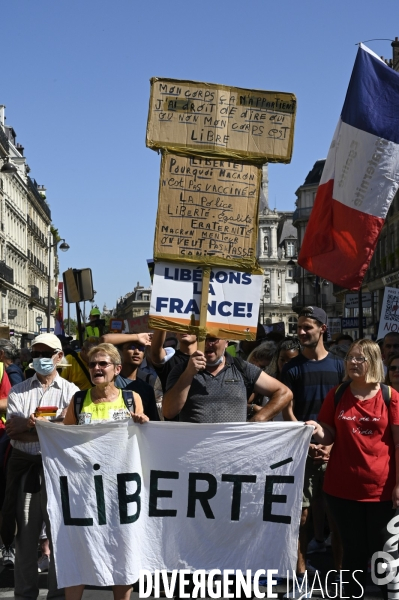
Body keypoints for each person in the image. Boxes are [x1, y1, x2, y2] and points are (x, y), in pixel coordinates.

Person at [307, 339, 399, 600]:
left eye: (359, 358)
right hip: (341, 490)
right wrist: (315, 429)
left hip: (381, 492)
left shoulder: (390, 396)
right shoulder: (337, 394)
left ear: (373, 362)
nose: (352, 362)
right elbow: (328, 433)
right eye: (350, 358)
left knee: (384, 554)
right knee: (353, 552)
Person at [62, 342, 148, 600]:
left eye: (103, 364)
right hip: (85, 490)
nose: (96, 368)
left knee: (121, 550)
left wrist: (143, 423)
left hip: (120, 491)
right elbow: (64, 442)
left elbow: (142, 444)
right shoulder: (78, 401)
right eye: (92, 364)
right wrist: (44, 429)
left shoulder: (132, 399)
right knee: (79, 547)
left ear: (117, 369)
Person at [1, 333, 79, 597]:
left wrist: (34, 426)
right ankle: (25, 594)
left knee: (60, 538)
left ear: (59, 357)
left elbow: (70, 431)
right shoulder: (18, 391)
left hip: (58, 472)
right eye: (35, 354)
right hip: (26, 472)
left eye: (46, 353)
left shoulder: (72, 392)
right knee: (25, 537)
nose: (40, 359)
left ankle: (57, 595)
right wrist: (51, 426)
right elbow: (14, 431)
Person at [281, 306, 344, 585]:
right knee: (301, 515)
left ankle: (343, 575)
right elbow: (287, 409)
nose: (302, 332)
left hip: (335, 453)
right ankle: (300, 573)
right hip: (302, 453)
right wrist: (305, 442)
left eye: (307, 327)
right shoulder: (291, 368)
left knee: (337, 518)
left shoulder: (339, 366)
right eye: (299, 327)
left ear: (323, 329)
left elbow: (346, 411)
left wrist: (330, 445)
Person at [163, 336, 292, 423]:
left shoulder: (242, 368)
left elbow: (284, 392)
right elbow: (168, 412)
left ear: (226, 342)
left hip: (232, 455)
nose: (208, 344)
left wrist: (259, 418)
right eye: (204, 338)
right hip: (195, 455)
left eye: (213, 339)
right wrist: (188, 374)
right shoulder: (181, 370)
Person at [114, 340, 160, 421]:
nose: (137, 352)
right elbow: (104, 340)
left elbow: (153, 420)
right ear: (119, 352)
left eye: (141, 348)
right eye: (131, 347)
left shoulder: (147, 388)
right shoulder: (111, 381)